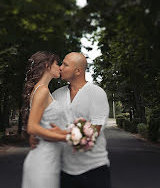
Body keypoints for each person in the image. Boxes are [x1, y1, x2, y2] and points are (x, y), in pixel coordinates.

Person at [30, 52, 111, 188]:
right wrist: (37, 134)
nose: (60, 67)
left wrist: (61, 135)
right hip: (64, 171)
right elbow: (43, 127)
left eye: (65, 65)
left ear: (78, 71)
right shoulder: (56, 95)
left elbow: (93, 134)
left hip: (94, 170)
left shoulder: (96, 93)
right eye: (61, 64)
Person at [21, 51, 69, 188]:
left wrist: (66, 133)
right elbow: (32, 127)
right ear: (47, 66)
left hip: (49, 159)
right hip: (43, 162)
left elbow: (44, 126)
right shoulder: (42, 91)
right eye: (57, 64)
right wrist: (67, 138)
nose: (60, 67)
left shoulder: (43, 90)